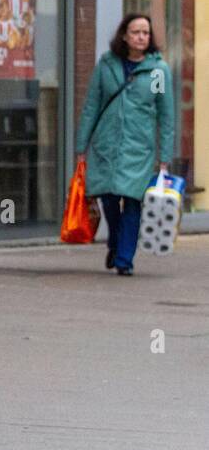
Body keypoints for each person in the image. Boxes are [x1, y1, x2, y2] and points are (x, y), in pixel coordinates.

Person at [75, 14, 176, 276]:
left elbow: (166, 115)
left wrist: (165, 156)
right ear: (124, 35)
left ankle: (124, 260)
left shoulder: (157, 71)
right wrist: (81, 146)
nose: (142, 37)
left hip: (138, 149)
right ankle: (115, 241)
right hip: (106, 145)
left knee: (132, 202)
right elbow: (91, 106)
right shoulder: (107, 65)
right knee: (108, 197)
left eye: (146, 32)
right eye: (136, 32)